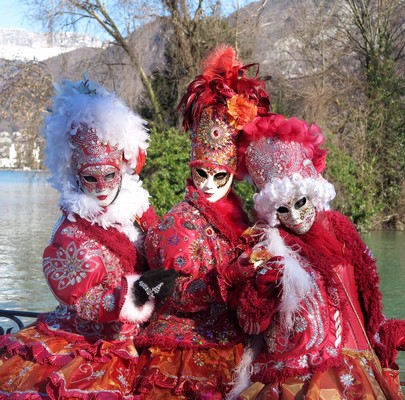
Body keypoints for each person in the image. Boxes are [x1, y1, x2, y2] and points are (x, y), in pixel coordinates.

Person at [0, 77, 177, 399]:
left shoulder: (139, 211)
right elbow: (79, 300)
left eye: (110, 176)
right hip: (89, 343)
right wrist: (136, 293)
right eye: (91, 177)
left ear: (123, 168)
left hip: (143, 339)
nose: (102, 187)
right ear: (76, 174)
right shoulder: (71, 231)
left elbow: (165, 253)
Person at [225, 114, 405, 400]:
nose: (296, 215)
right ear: (271, 212)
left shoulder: (341, 231)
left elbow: (366, 298)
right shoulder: (265, 248)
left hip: (357, 367)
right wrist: (262, 286)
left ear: (313, 195)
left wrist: (386, 333)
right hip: (293, 376)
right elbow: (250, 323)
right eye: (283, 210)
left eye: (300, 203)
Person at [133, 45, 271, 399]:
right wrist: (230, 278)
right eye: (201, 173)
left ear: (232, 175)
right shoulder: (175, 224)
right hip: (182, 350)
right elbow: (173, 290)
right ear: (191, 168)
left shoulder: (245, 220)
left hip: (238, 343)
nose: (208, 184)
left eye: (218, 176)